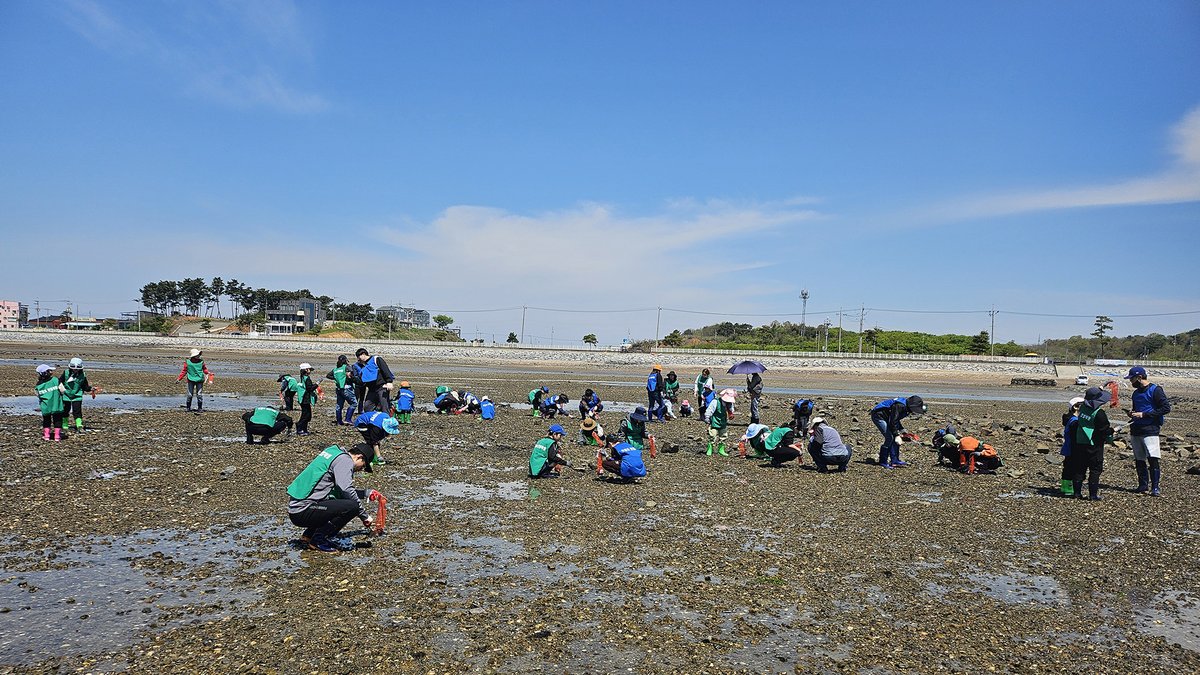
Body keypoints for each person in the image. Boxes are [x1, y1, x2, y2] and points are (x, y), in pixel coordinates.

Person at [286, 443, 377, 552]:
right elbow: (346, 489)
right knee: (352, 507)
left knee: (339, 502)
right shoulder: (346, 461)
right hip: (303, 510)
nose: (361, 469)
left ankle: (308, 536)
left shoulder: (334, 453)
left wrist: (365, 493)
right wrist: (364, 516)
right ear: (359, 457)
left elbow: (339, 491)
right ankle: (319, 540)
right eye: (363, 466)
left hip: (297, 508)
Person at [1125, 366, 1171, 496]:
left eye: (1132, 379)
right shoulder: (1135, 393)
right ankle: (1142, 485)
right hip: (1136, 428)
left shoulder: (1155, 390)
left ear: (1139, 377)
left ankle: (1155, 487)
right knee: (1139, 459)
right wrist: (1132, 413)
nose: (1131, 382)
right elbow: (1136, 409)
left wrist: (1144, 414)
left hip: (1150, 429)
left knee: (1153, 458)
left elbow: (1166, 408)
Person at [1065, 386, 1114, 500]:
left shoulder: (1082, 408)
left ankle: (1077, 493)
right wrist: (1112, 431)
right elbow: (1104, 430)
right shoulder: (1099, 413)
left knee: (1079, 468)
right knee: (1095, 469)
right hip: (1094, 444)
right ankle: (1093, 495)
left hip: (1080, 442)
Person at [870, 395, 926, 469]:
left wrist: (902, 431)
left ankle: (895, 461)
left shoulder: (905, 407)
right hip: (878, 416)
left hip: (887, 417)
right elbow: (893, 421)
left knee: (895, 437)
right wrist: (896, 435)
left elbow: (895, 419)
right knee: (890, 437)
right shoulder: (900, 406)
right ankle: (883, 461)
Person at [59, 357, 95, 433]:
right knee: (65, 410)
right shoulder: (66, 373)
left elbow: (85, 386)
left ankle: (79, 425)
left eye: (77, 368)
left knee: (77, 411)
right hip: (66, 395)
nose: (75, 370)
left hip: (77, 396)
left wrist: (90, 389)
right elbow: (59, 382)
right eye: (73, 368)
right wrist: (60, 390)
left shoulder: (83, 375)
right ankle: (65, 425)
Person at [355, 348, 395, 414]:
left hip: (382, 387)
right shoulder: (363, 366)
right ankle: (374, 417)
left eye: (359, 357)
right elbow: (362, 379)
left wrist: (389, 381)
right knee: (367, 406)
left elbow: (385, 369)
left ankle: (386, 418)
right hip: (372, 389)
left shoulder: (376, 359)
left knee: (384, 406)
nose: (358, 359)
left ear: (363, 354)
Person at [1059, 397, 1084, 497]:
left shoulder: (1069, 419)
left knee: (1067, 468)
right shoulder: (1074, 421)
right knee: (1072, 468)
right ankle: (1069, 489)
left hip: (1068, 448)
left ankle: (1065, 488)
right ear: (1076, 407)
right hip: (1073, 448)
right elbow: (1075, 436)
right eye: (1083, 405)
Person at [35, 364, 66, 442]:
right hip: (56, 404)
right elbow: (62, 390)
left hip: (45, 406)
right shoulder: (56, 380)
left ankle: (47, 436)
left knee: (46, 420)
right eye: (49, 370)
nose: (51, 371)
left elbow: (38, 395)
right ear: (46, 373)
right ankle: (57, 436)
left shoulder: (38, 385)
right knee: (58, 420)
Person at [324, 355, 357, 426]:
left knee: (339, 405)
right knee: (353, 403)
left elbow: (328, 375)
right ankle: (348, 419)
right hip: (347, 387)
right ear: (346, 360)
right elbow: (351, 374)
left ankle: (339, 421)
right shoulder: (346, 367)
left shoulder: (335, 369)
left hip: (338, 388)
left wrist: (336, 378)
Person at [177, 349, 212, 413]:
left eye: (199, 354)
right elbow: (184, 371)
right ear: (194, 356)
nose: (199, 356)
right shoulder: (188, 362)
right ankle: (188, 408)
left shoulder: (201, 362)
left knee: (199, 395)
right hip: (190, 380)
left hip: (199, 379)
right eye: (197, 355)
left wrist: (208, 373)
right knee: (189, 395)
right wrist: (179, 379)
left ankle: (200, 408)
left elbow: (204, 369)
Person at [705, 390, 735, 456]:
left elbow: (731, 411)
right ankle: (710, 449)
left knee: (724, 435)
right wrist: (707, 418)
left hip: (723, 421)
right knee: (712, 435)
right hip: (714, 421)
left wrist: (731, 413)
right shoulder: (715, 402)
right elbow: (709, 410)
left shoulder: (729, 404)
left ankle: (721, 450)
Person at [294, 363, 320, 436]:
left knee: (306, 415)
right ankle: (300, 429)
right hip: (305, 399)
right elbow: (310, 388)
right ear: (306, 370)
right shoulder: (306, 378)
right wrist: (317, 383)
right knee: (306, 415)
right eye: (309, 369)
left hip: (303, 398)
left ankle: (304, 429)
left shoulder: (303, 377)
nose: (310, 371)